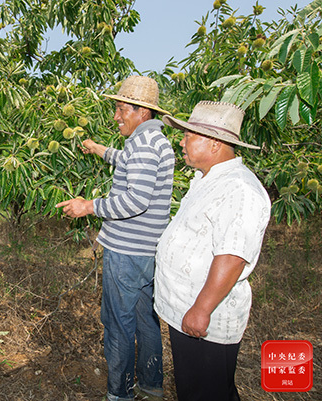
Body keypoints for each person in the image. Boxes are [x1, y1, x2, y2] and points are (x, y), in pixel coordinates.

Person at [56, 75, 174, 401]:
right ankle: (151, 384)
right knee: (146, 320)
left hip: (126, 251)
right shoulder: (154, 141)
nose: (116, 116)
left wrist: (88, 206)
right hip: (147, 250)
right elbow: (128, 163)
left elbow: (136, 200)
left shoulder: (143, 145)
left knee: (118, 323)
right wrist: (99, 149)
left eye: (122, 109)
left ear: (142, 112)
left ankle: (119, 393)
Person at [154, 101, 271, 401]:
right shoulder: (209, 179)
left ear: (215, 143)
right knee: (197, 389)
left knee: (206, 393)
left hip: (207, 318)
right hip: (188, 307)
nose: (181, 142)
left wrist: (202, 309)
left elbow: (232, 256)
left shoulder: (239, 189)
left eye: (188, 136)